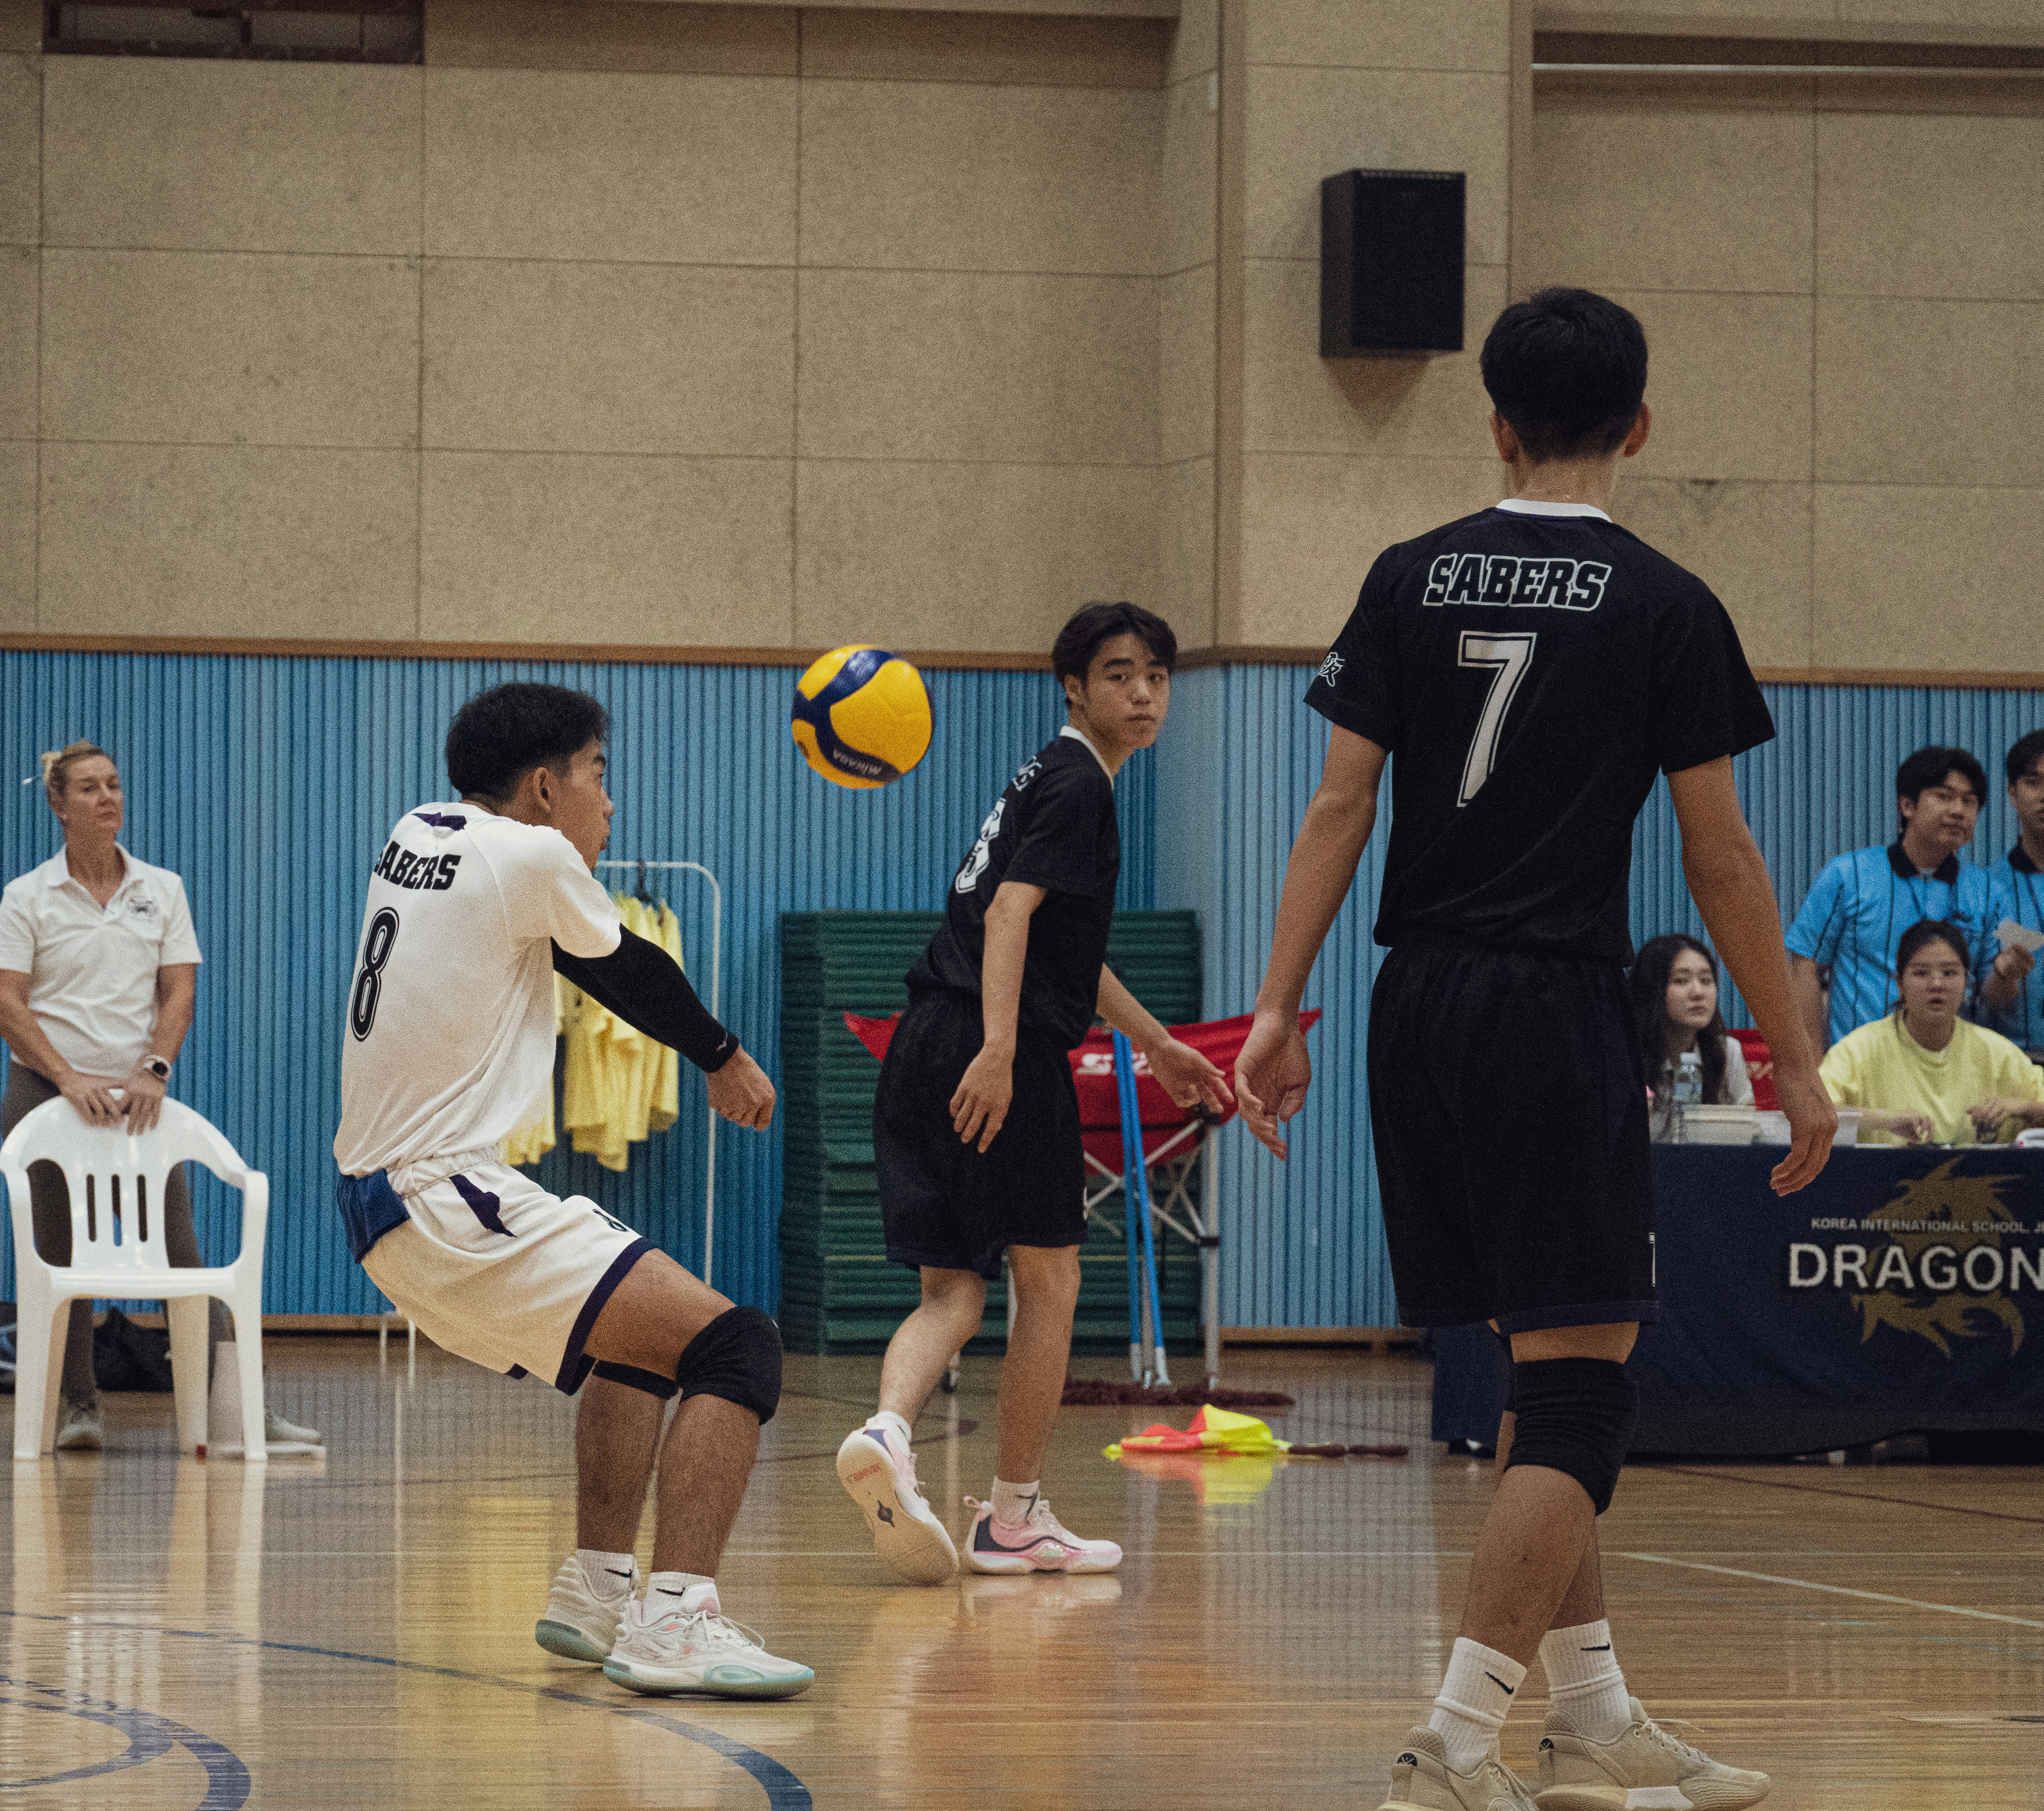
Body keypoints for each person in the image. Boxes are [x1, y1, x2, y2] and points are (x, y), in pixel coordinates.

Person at [1230, 288, 1832, 1811]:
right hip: (1551, 1004)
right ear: (1640, 424)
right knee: (1580, 1390)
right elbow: (1723, 861)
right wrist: (1794, 1048)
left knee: (1543, 1357)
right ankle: (1453, 1740)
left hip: (1410, 998)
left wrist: (1280, 1006)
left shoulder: (1406, 574)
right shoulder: (1666, 601)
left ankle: (1593, 1713)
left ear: (1492, 420)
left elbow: (1335, 810)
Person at [331, 682, 807, 1700]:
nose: (609, 804)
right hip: (443, 1194)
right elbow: (628, 965)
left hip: (391, 1199)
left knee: (638, 1343)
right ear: (544, 788)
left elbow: (584, 962)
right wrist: (722, 1056)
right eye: (599, 775)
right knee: (737, 1345)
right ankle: (678, 1618)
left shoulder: (417, 829)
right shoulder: (532, 855)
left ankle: (596, 1589)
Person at [837, 601, 1230, 1585]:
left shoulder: (1042, 782)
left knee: (953, 1289)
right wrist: (1005, 1050)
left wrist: (1162, 1046)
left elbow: (1066, 951)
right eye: (1118, 675)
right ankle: (1013, 1516)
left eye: (1156, 677)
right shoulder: (1081, 787)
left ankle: (888, 1429)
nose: (1142, 694)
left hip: (924, 1036)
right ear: (1074, 688)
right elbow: (1011, 916)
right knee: (1050, 1281)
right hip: (985, 1042)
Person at [0, 741, 319, 1453]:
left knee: (182, 1252)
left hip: (141, 1100)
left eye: (114, 784)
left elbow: (181, 989)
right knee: (59, 1254)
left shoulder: (162, 889)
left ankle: (237, 1409)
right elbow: (6, 1002)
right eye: (88, 788)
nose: (107, 797)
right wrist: (67, 1079)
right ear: (57, 804)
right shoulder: (28, 896)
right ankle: (77, 1407)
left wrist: (155, 1068)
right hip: (46, 1095)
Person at [1784, 745, 1995, 1061]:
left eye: (1970, 801)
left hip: (1952, 1073)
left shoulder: (1987, 890)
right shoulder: (1848, 875)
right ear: (1907, 806)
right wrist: (1812, 1063)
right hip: (1860, 1070)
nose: (1959, 811)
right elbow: (1805, 966)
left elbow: (1990, 991)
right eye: (1944, 796)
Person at [1820, 918, 2044, 1145]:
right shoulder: (1858, 1052)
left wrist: (2023, 1108)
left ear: (1966, 980)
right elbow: (1807, 1116)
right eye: (1921, 973)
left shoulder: (1998, 1054)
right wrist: (1883, 1121)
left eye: (1949, 973)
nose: (1937, 984)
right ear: (1900, 983)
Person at [1624, 934, 1748, 1111]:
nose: (1698, 993)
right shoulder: (1626, 1053)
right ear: (1652, 989)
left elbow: (1744, 1128)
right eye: (1681, 980)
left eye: (1706, 980)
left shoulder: (1728, 1052)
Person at [1980, 728, 2044, 1047]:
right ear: (2012, 793)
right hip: (2012, 1070)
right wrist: (2005, 976)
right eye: (2034, 782)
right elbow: (1983, 1001)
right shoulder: (1987, 890)